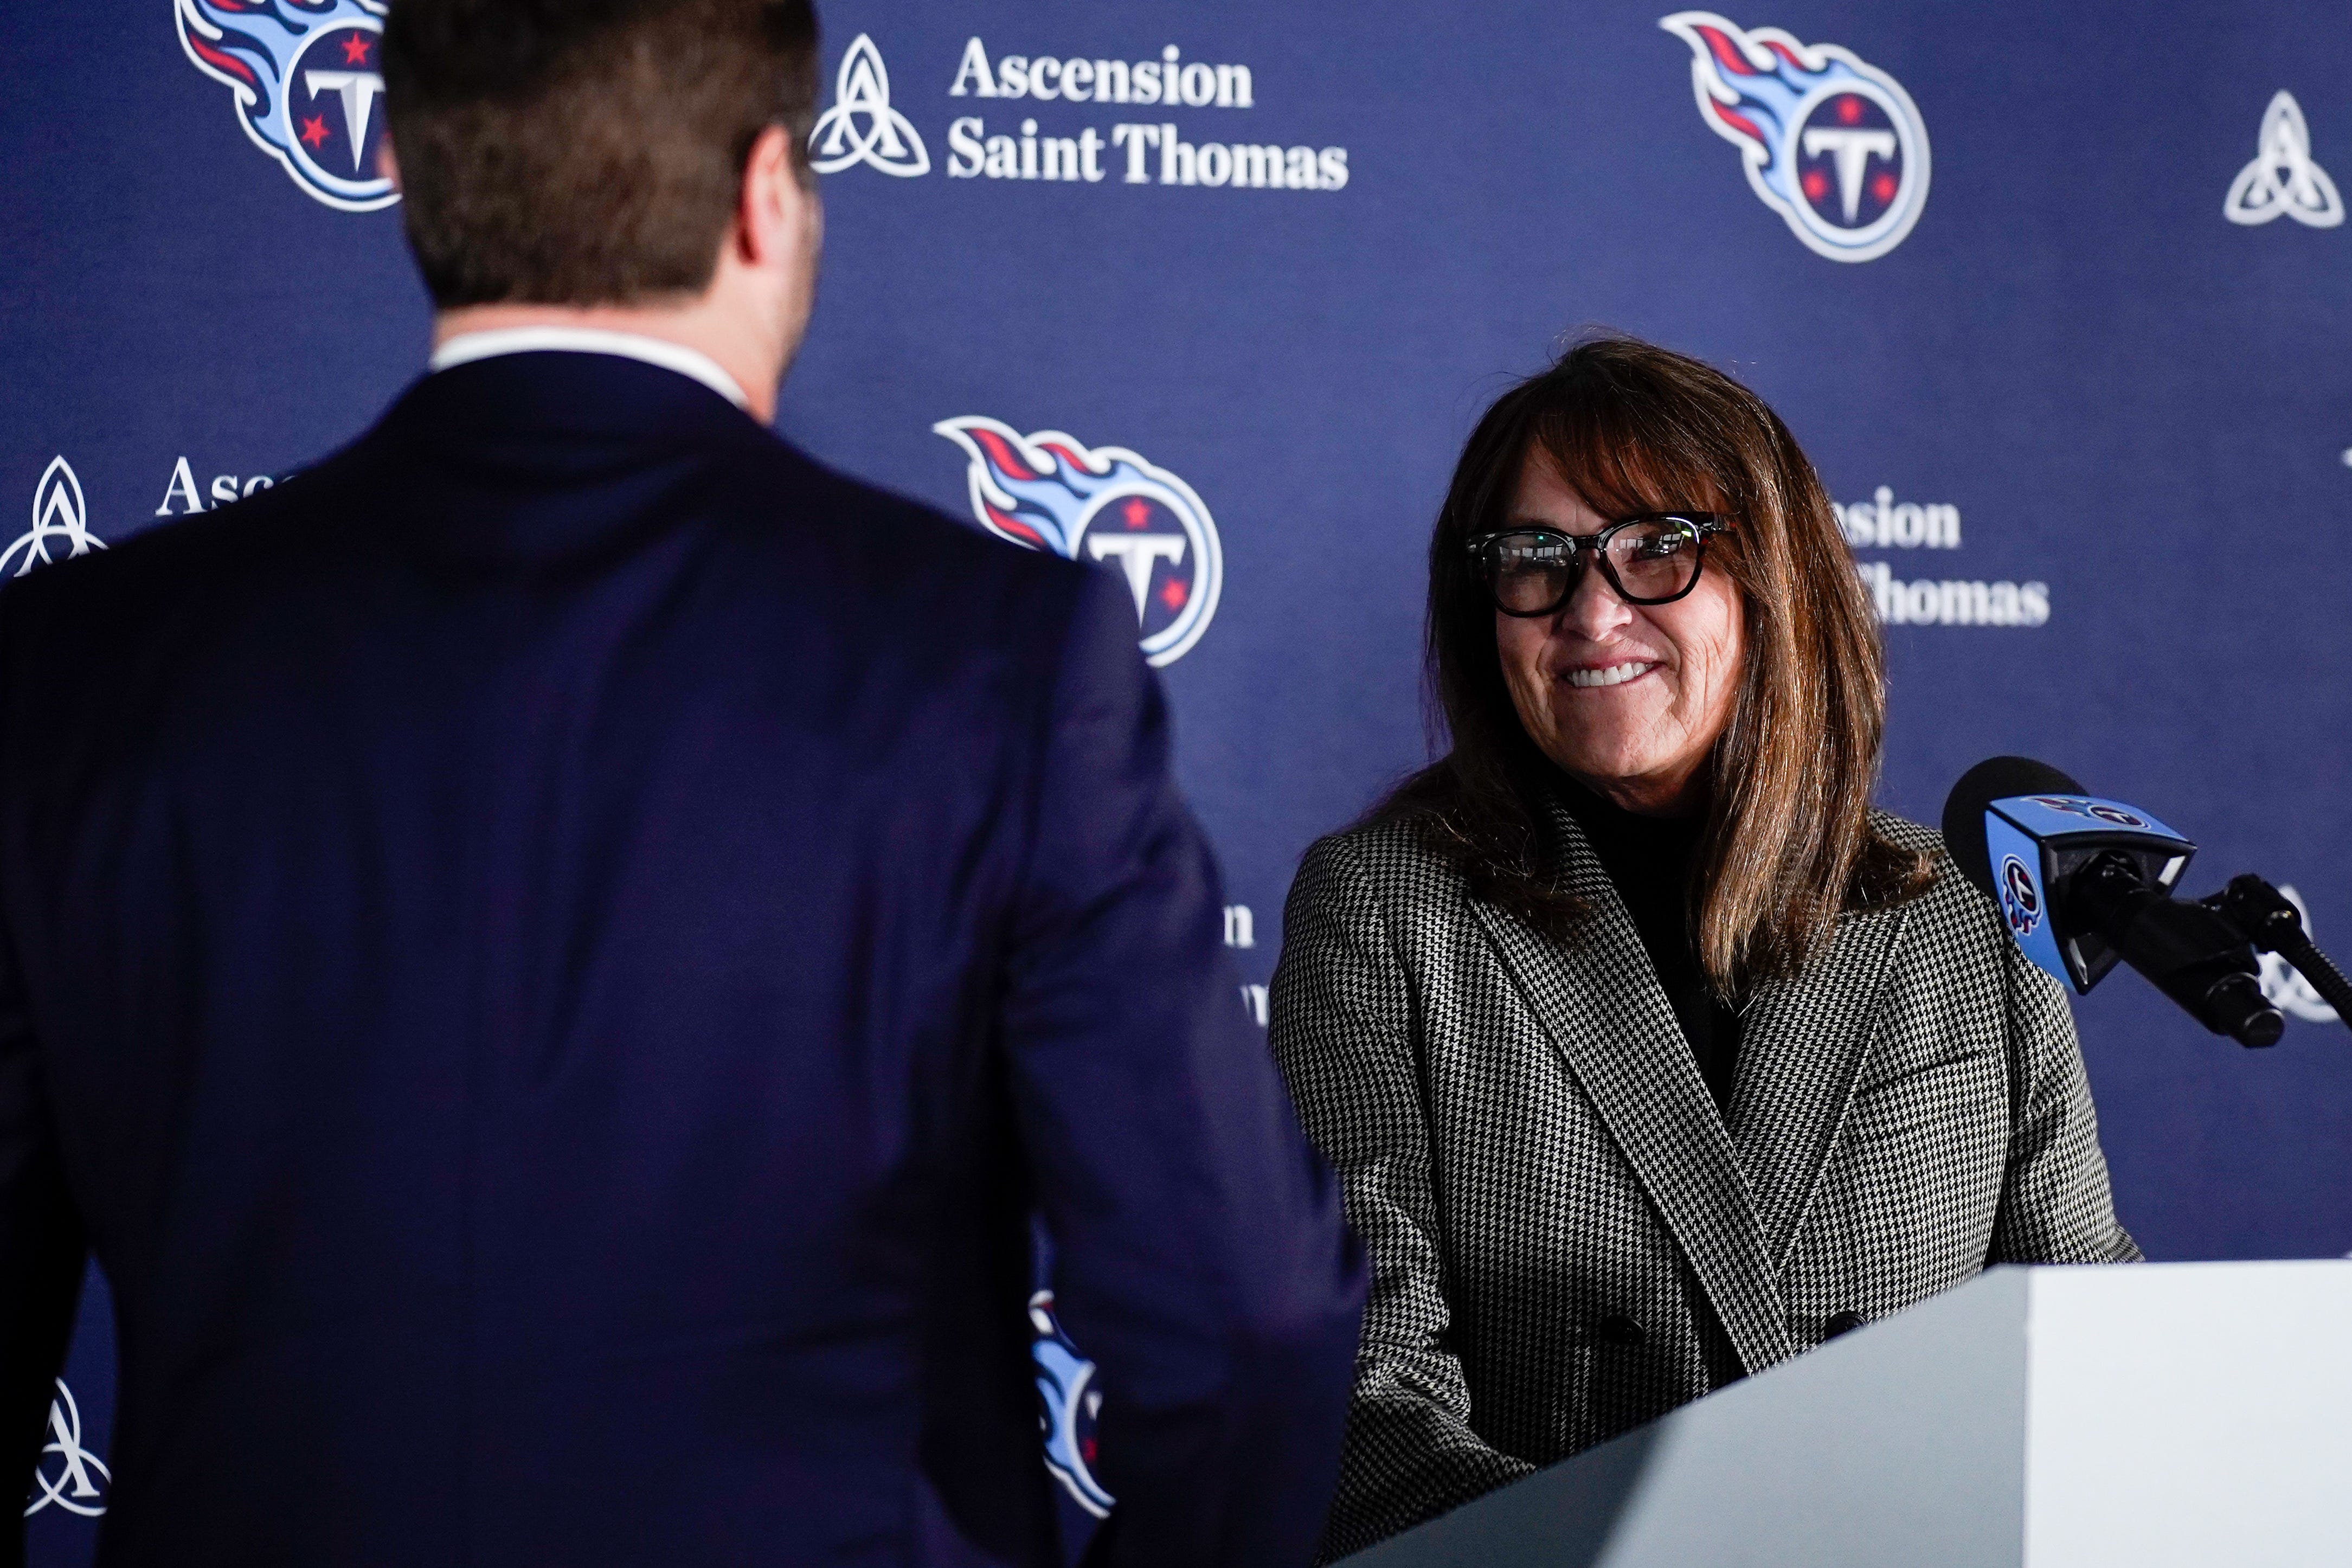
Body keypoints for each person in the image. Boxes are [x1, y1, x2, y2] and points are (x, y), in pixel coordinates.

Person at [0, 3, 1363, 1563]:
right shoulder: (998, 659)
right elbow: (1252, 1324)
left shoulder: (69, 662)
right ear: (767, 195)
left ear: (409, 174)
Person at [1269, 335, 2137, 1560]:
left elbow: (2085, 1338)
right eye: (1537, 559)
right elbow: (1360, 1403)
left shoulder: (1960, 917)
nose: (1592, 610)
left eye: (1657, 549)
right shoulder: (1383, 916)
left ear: (1777, 580)